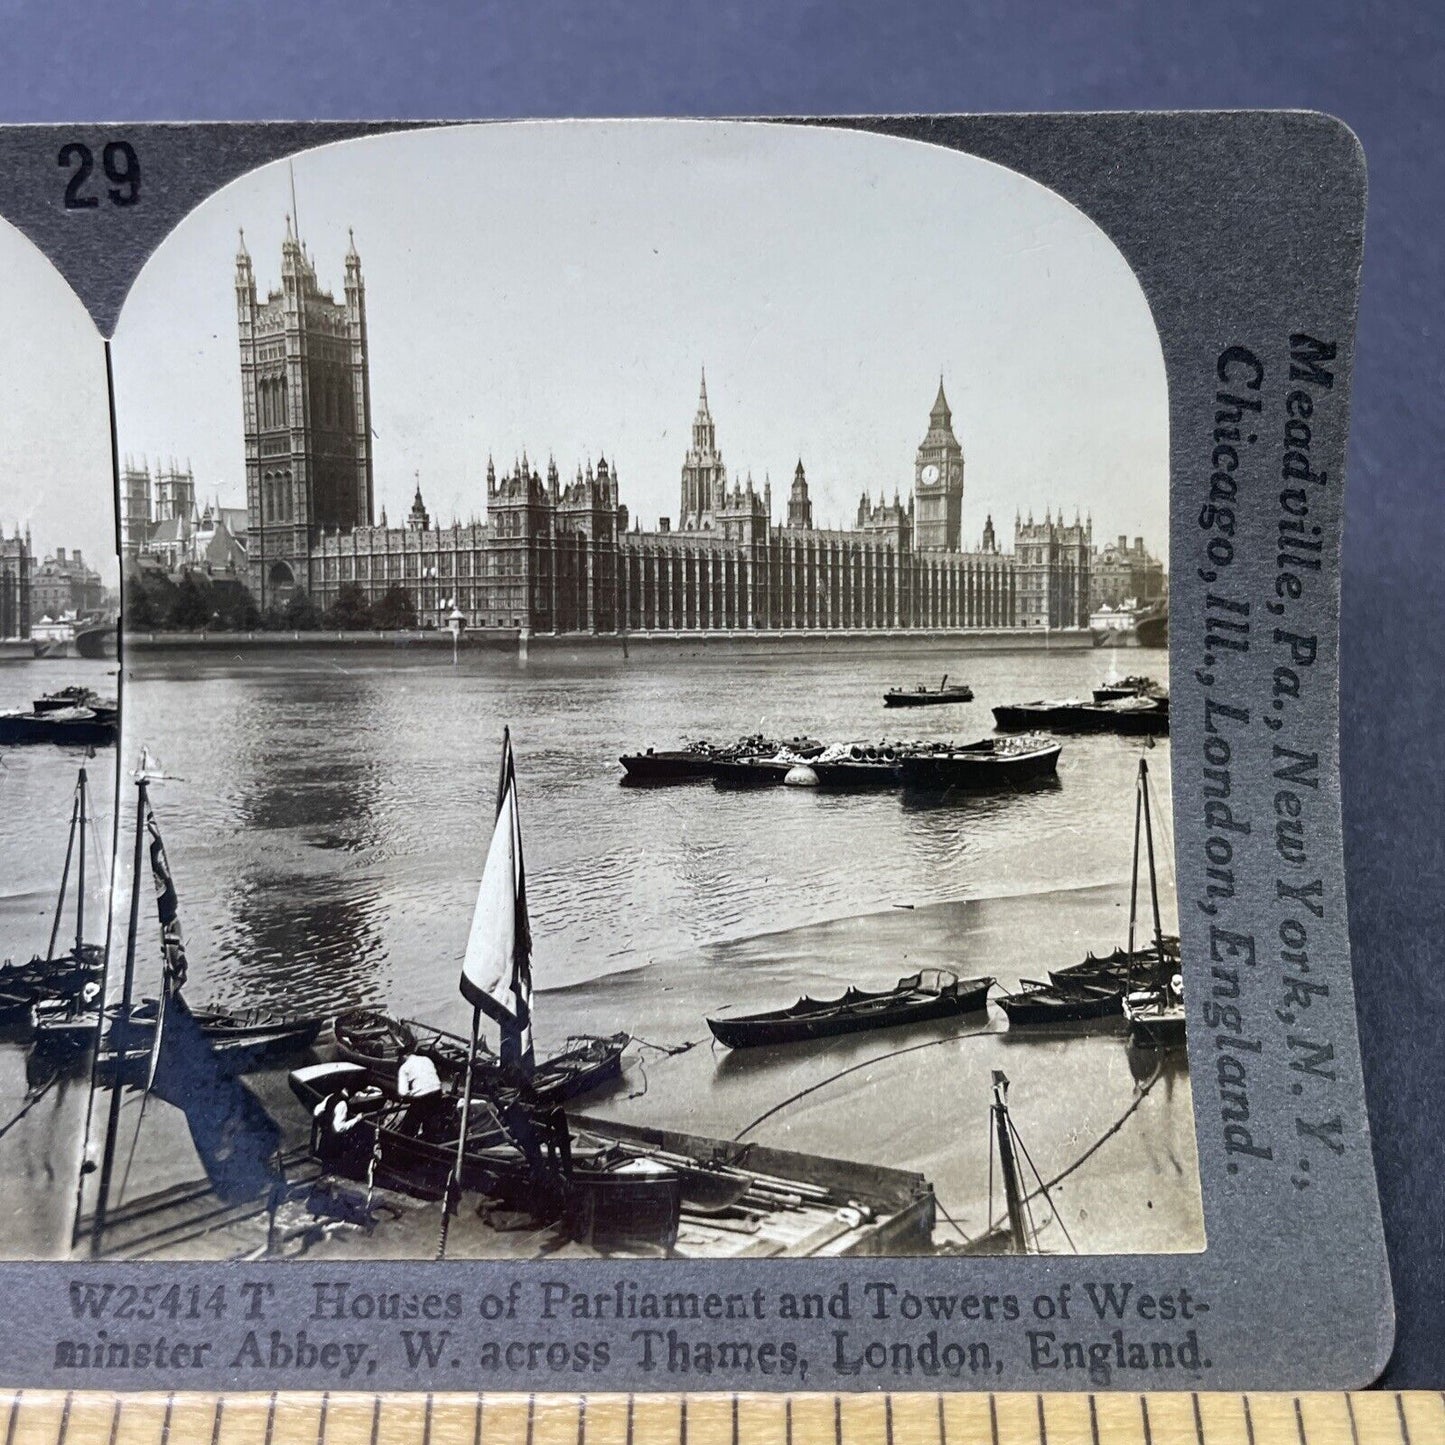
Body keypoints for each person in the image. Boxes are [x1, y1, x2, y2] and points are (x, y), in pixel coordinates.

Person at [397, 1051, 447, 1140]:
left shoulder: (404, 1067)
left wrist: (409, 1094)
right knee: (430, 1122)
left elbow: (403, 1093)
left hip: (422, 1096)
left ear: (402, 1059)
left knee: (410, 1124)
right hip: (437, 1092)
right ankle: (427, 1140)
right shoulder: (426, 1059)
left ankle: (404, 1142)